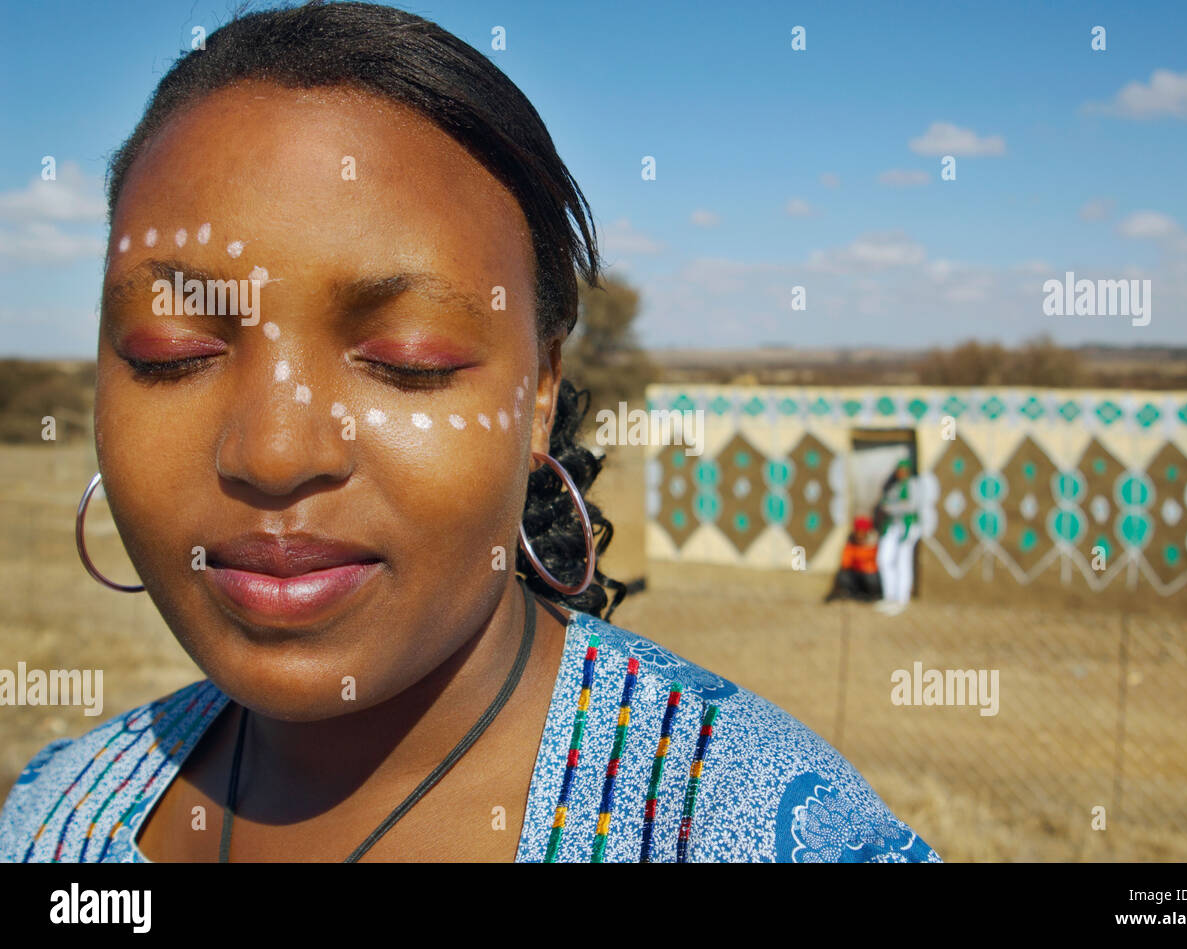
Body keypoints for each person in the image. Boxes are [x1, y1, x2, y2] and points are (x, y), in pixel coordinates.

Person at [0, 1, 939, 864]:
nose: (275, 452)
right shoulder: (53, 821)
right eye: (173, 353)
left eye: (409, 360)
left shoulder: (761, 829)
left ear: (538, 395)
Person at [875, 458, 921, 616]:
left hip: (907, 526)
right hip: (893, 527)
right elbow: (885, 503)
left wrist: (892, 508)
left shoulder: (913, 485)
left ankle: (902, 599)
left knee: (903, 562)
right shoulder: (894, 486)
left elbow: (911, 505)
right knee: (885, 559)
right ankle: (890, 596)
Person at [824, 515, 881, 603]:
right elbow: (845, 562)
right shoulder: (851, 542)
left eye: (862, 532)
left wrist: (858, 557)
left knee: (871, 578)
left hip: (869, 575)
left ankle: (873, 595)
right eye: (858, 532)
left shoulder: (873, 543)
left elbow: (870, 562)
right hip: (856, 573)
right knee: (842, 574)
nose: (860, 535)